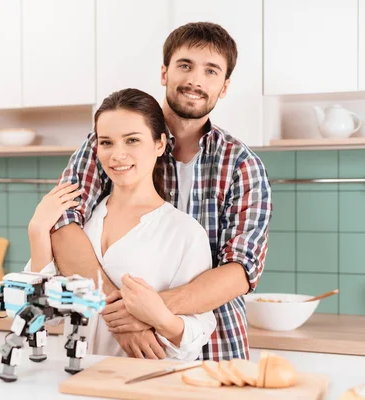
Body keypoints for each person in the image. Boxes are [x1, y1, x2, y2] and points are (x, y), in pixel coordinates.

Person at [46, 22, 273, 361]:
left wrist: (146, 314)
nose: (196, 80)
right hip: (116, 347)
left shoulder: (243, 165)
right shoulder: (114, 142)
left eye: (210, 71)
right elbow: (63, 222)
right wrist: (118, 313)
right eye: (185, 65)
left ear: (224, 87)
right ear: (164, 72)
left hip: (217, 347)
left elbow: (241, 268)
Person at [24, 88, 215, 361]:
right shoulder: (79, 224)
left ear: (159, 144)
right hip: (76, 381)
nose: (117, 155)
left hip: (141, 385)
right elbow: (43, 316)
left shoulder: (184, 233)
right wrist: (38, 231)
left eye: (132, 140)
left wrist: (159, 317)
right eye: (107, 142)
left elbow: (195, 339)